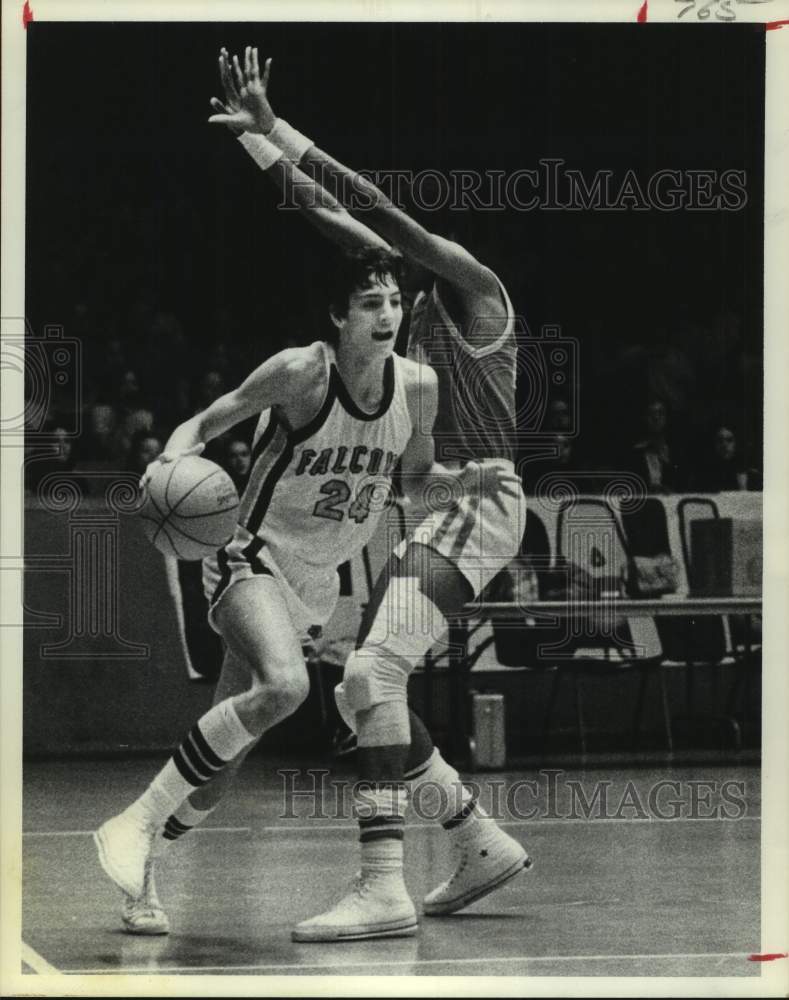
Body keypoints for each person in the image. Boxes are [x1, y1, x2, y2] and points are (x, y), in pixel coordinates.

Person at [93, 92, 496, 939]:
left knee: (227, 753)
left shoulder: (416, 384)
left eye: (393, 301)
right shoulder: (300, 371)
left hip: (317, 585)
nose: (387, 313)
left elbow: (412, 484)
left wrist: (458, 485)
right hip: (251, 557)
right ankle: (130, 823)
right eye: (371, 303)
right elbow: (206, 421)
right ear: (338, 316)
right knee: (287, 687)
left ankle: (144, 875)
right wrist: (170, 459)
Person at [207, 47, 532, 941]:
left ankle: (383, 885)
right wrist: (257, 148)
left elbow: (377, 210)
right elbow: (330, 220)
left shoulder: (474, 289)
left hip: (478, 499)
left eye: (387, 283)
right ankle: (478, 839)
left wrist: (283, 127)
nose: (378, 294)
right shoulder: (395, 298)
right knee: (361, 692)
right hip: (430, 499)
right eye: (371, 292)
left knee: (369, 671)